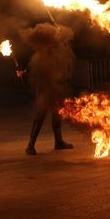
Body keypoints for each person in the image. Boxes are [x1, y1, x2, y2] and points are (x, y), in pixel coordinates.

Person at [23, 23, 75, 155]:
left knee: (57, 115)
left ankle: (58, 141)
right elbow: (39, 72)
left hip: (56, 86)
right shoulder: (43, 53)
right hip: (45, 87)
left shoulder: (59, 49)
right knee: (40, 115)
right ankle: (30, 145)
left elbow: (66, 61)